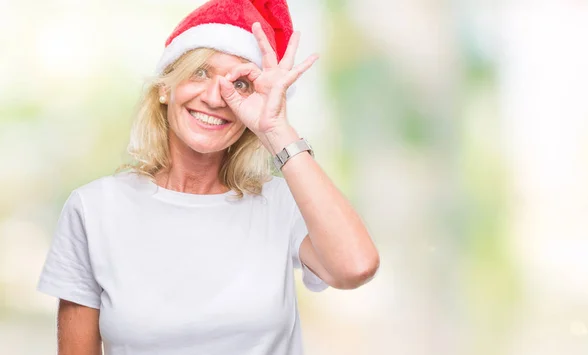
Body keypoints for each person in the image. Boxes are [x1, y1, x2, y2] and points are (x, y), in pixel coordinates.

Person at [36, 0, 380, 354]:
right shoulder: (94, 209)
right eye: (200, 72)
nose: (217, 97)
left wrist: (276, 128)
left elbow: (355, 267)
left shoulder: (281, 202)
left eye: (242, 84)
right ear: (164, 88)